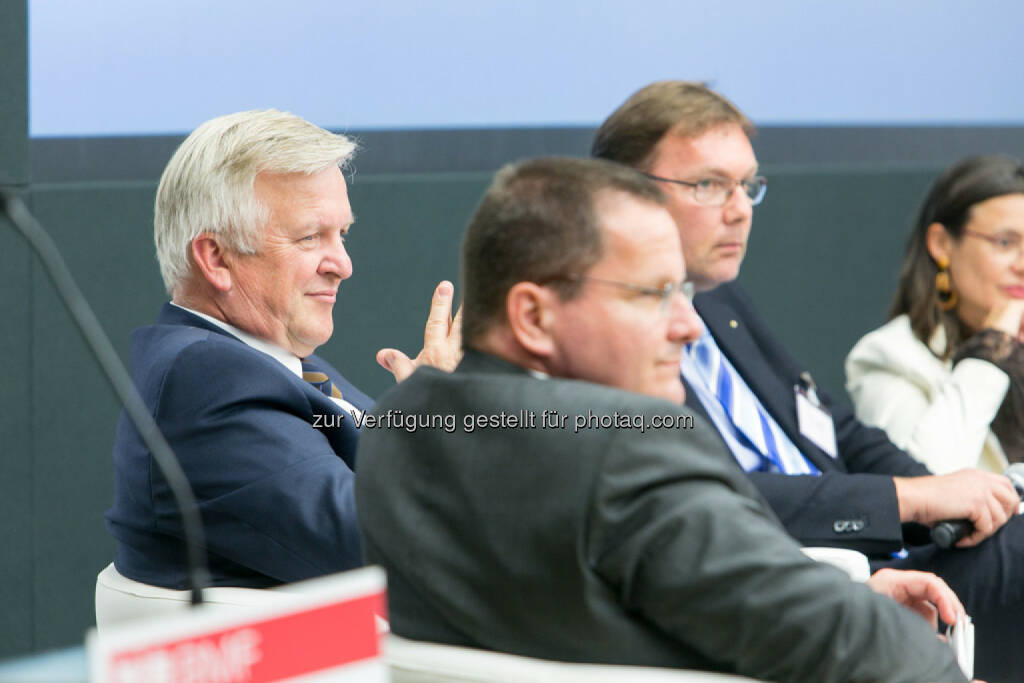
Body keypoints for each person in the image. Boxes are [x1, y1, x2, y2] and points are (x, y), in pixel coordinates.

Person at [356, 157, 969, 683]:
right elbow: (882, 653)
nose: (689, 326)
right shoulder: (633, 446)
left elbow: (605, 611)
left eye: (684, 292)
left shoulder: (397, 427)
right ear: (534, 317)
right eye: (654, 294)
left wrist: (840, 594)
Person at [592, 81, 1024, 681]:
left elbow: (826, 420)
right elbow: (711, 500)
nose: (740, 208)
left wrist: (946, 493)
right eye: (709, 185)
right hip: (811, 582)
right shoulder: (606, 342)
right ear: (623, 195)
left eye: (748, 185)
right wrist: (912, 499)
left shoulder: (719, 301)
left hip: (881, 555)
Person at [107, 109, 460, 589]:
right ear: (216, 258)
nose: (343, 265)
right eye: (310, 237)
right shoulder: (206, 381)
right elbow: (382, 540)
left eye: (343, 235)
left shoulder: (268, 362)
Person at [847, 155, 1024, 473]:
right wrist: (992, 351)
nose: (1022, 265)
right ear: (942, 243)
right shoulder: (890, 357)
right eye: (1005, 242)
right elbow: (928, 485)